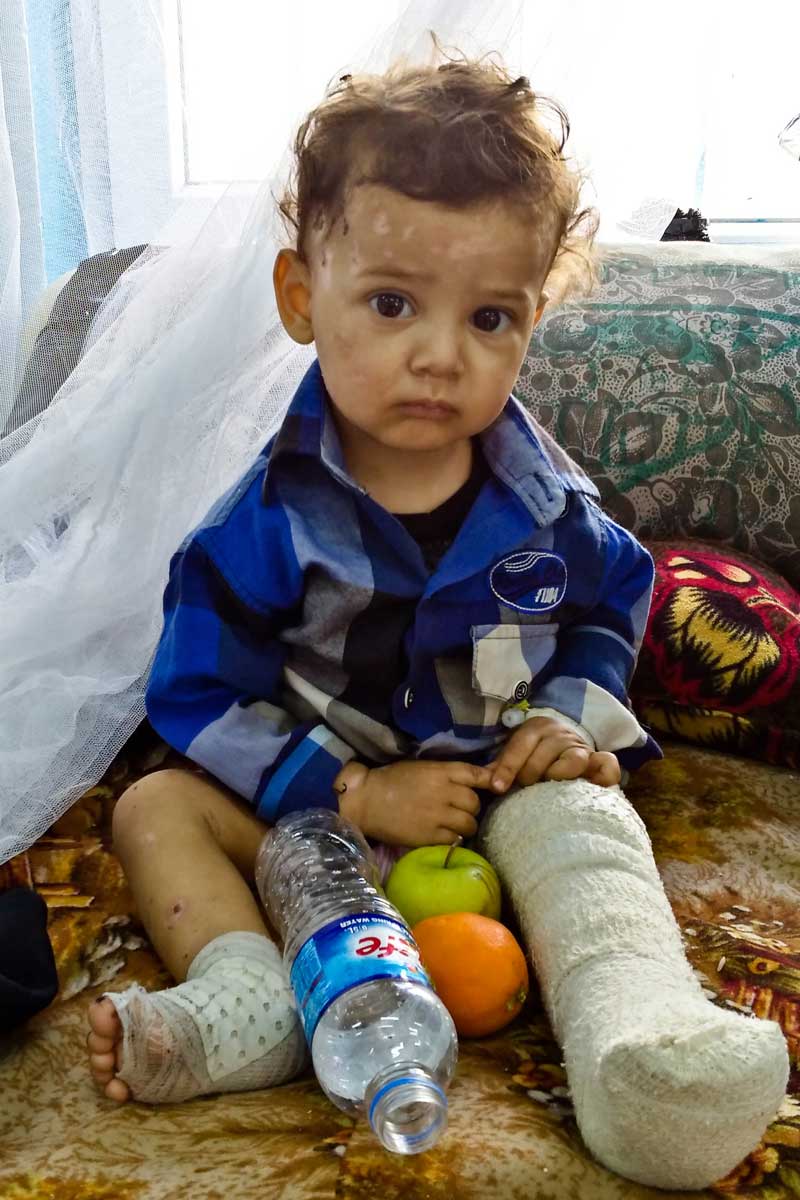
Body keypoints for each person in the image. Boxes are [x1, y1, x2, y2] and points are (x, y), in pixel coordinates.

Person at [85, 53, 788, 1189]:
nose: (438, 354)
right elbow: (195, 693)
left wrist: (567, 716)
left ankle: (640, 1037)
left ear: (531, 320)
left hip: (493, 792)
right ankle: (250, 990)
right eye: (392, 303)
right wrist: (351, 793)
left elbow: (618, 596)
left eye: (490, 316)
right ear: (301, 300)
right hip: (310, 822)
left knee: (584, 812)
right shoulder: (258, 523)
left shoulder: (549, 510)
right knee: (158, 802)